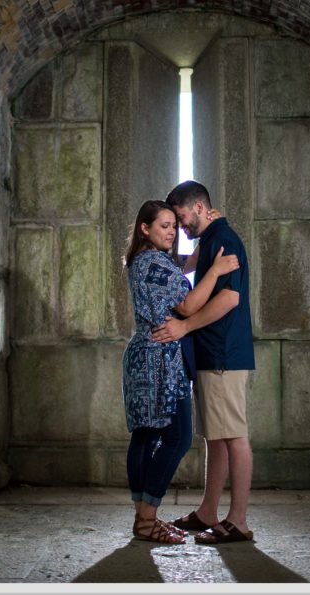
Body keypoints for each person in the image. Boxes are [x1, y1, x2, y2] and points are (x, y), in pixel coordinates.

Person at [121, 200, 239, 544]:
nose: (172, 233)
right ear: (145, 228)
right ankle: (147, 519)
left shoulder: (145, 260)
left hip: (146, 353)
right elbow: (187, 306)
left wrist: (205, 238)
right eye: (164, 226)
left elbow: (181, 270)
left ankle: (143, 518)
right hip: (159, 359)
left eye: (175, 226)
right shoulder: (154, 263)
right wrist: (215, 272)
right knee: (178, 437)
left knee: (145, 437)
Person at [152, 180, 256, 544]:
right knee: (217, 437)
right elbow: (186, 269)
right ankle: (209, 511)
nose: (180, 228)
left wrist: (184, 326)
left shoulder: (223, 238)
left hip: (224, 352)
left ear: (199, 207)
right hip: (214, 352)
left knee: (234, 435)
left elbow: (229, 299)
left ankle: (238, 521)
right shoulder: (211, 240)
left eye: (181, 219)